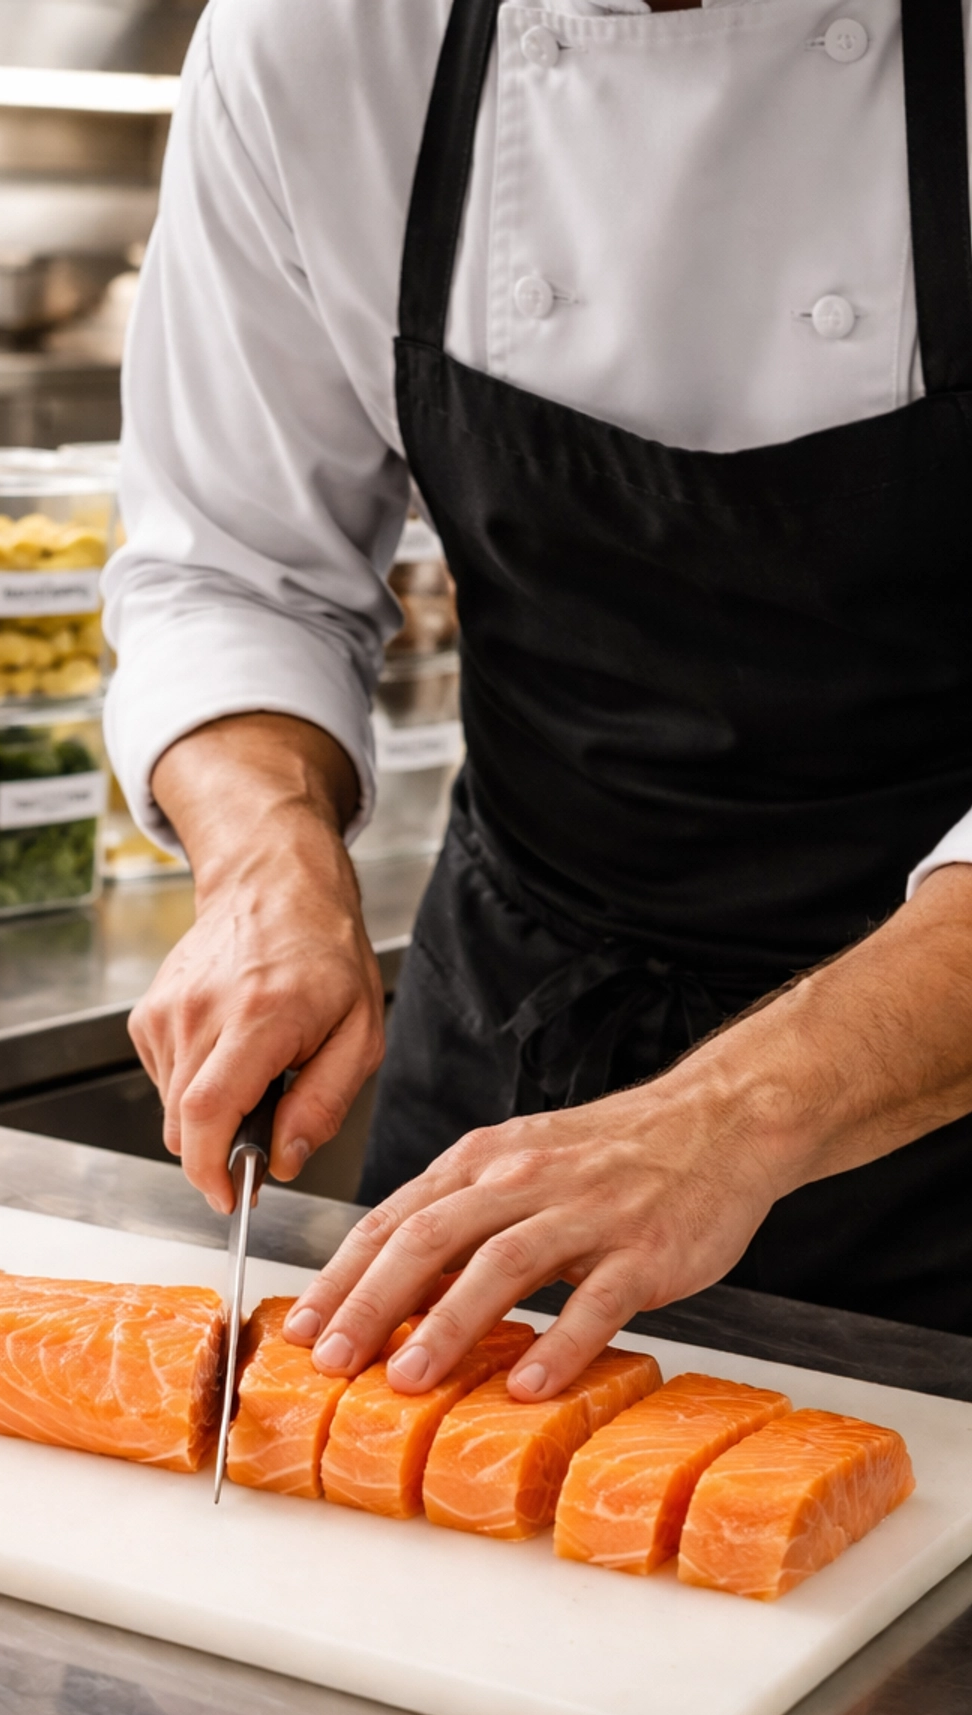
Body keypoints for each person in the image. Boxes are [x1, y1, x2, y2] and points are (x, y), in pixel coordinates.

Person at [101, 0, 972, 1402]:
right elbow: (231, 570)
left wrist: (734, 1112)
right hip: (521, 1032)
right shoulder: (322, 37)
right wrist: (268, 869)